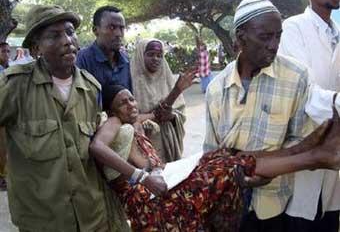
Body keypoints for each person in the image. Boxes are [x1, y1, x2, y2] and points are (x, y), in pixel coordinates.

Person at [90, 84, 340, 232]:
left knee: (222, 155)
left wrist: (177, 88)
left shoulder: (133, 123)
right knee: (225, 167)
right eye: (123, 103)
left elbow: (154, 114)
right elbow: (97, 147)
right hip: (149, 202)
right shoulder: (114, 124)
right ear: (112, 110)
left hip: (161, 181)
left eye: (132, 98)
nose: (131, 105)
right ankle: (314, 157)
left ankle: (301, 152)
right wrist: (141, 177)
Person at [0, 5, 129, 232]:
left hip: (92, 216)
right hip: (44, 221)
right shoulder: (14, 87)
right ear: (35, 48)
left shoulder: (90, 89)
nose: (67, 40)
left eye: (70, 32)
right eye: (55, 35)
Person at [204, 0, 318, 231]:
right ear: (240, 37)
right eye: (265, 37)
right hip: (228, 205)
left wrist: (268, 169)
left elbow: (300, 140)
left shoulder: (297, 77)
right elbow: (210, 151)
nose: (274, 44)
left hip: (276, 204)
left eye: (278, 35)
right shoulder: (217, 88)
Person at [278, 0, 340, 231]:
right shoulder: (293, 29)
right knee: (302, 217)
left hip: (333, 155)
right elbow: (305, 93)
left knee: (329, 217)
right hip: (304, 148)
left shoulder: (338, 32)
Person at [131, 39, 194, 162]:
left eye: (159, 55)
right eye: (150, 54)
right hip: (143, 144)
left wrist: (171, 116)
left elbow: (179, 111)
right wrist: (152, 116)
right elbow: (128, 117)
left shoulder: (167, 78)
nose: (156, 59)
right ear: (140, 55)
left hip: (168, 141)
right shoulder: (130, 79)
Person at [76, 5, 132, 91]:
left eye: (121, 28)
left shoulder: (125, 61)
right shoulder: (82, 60)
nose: (118, 34)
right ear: (95, 30)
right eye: (112, 27)